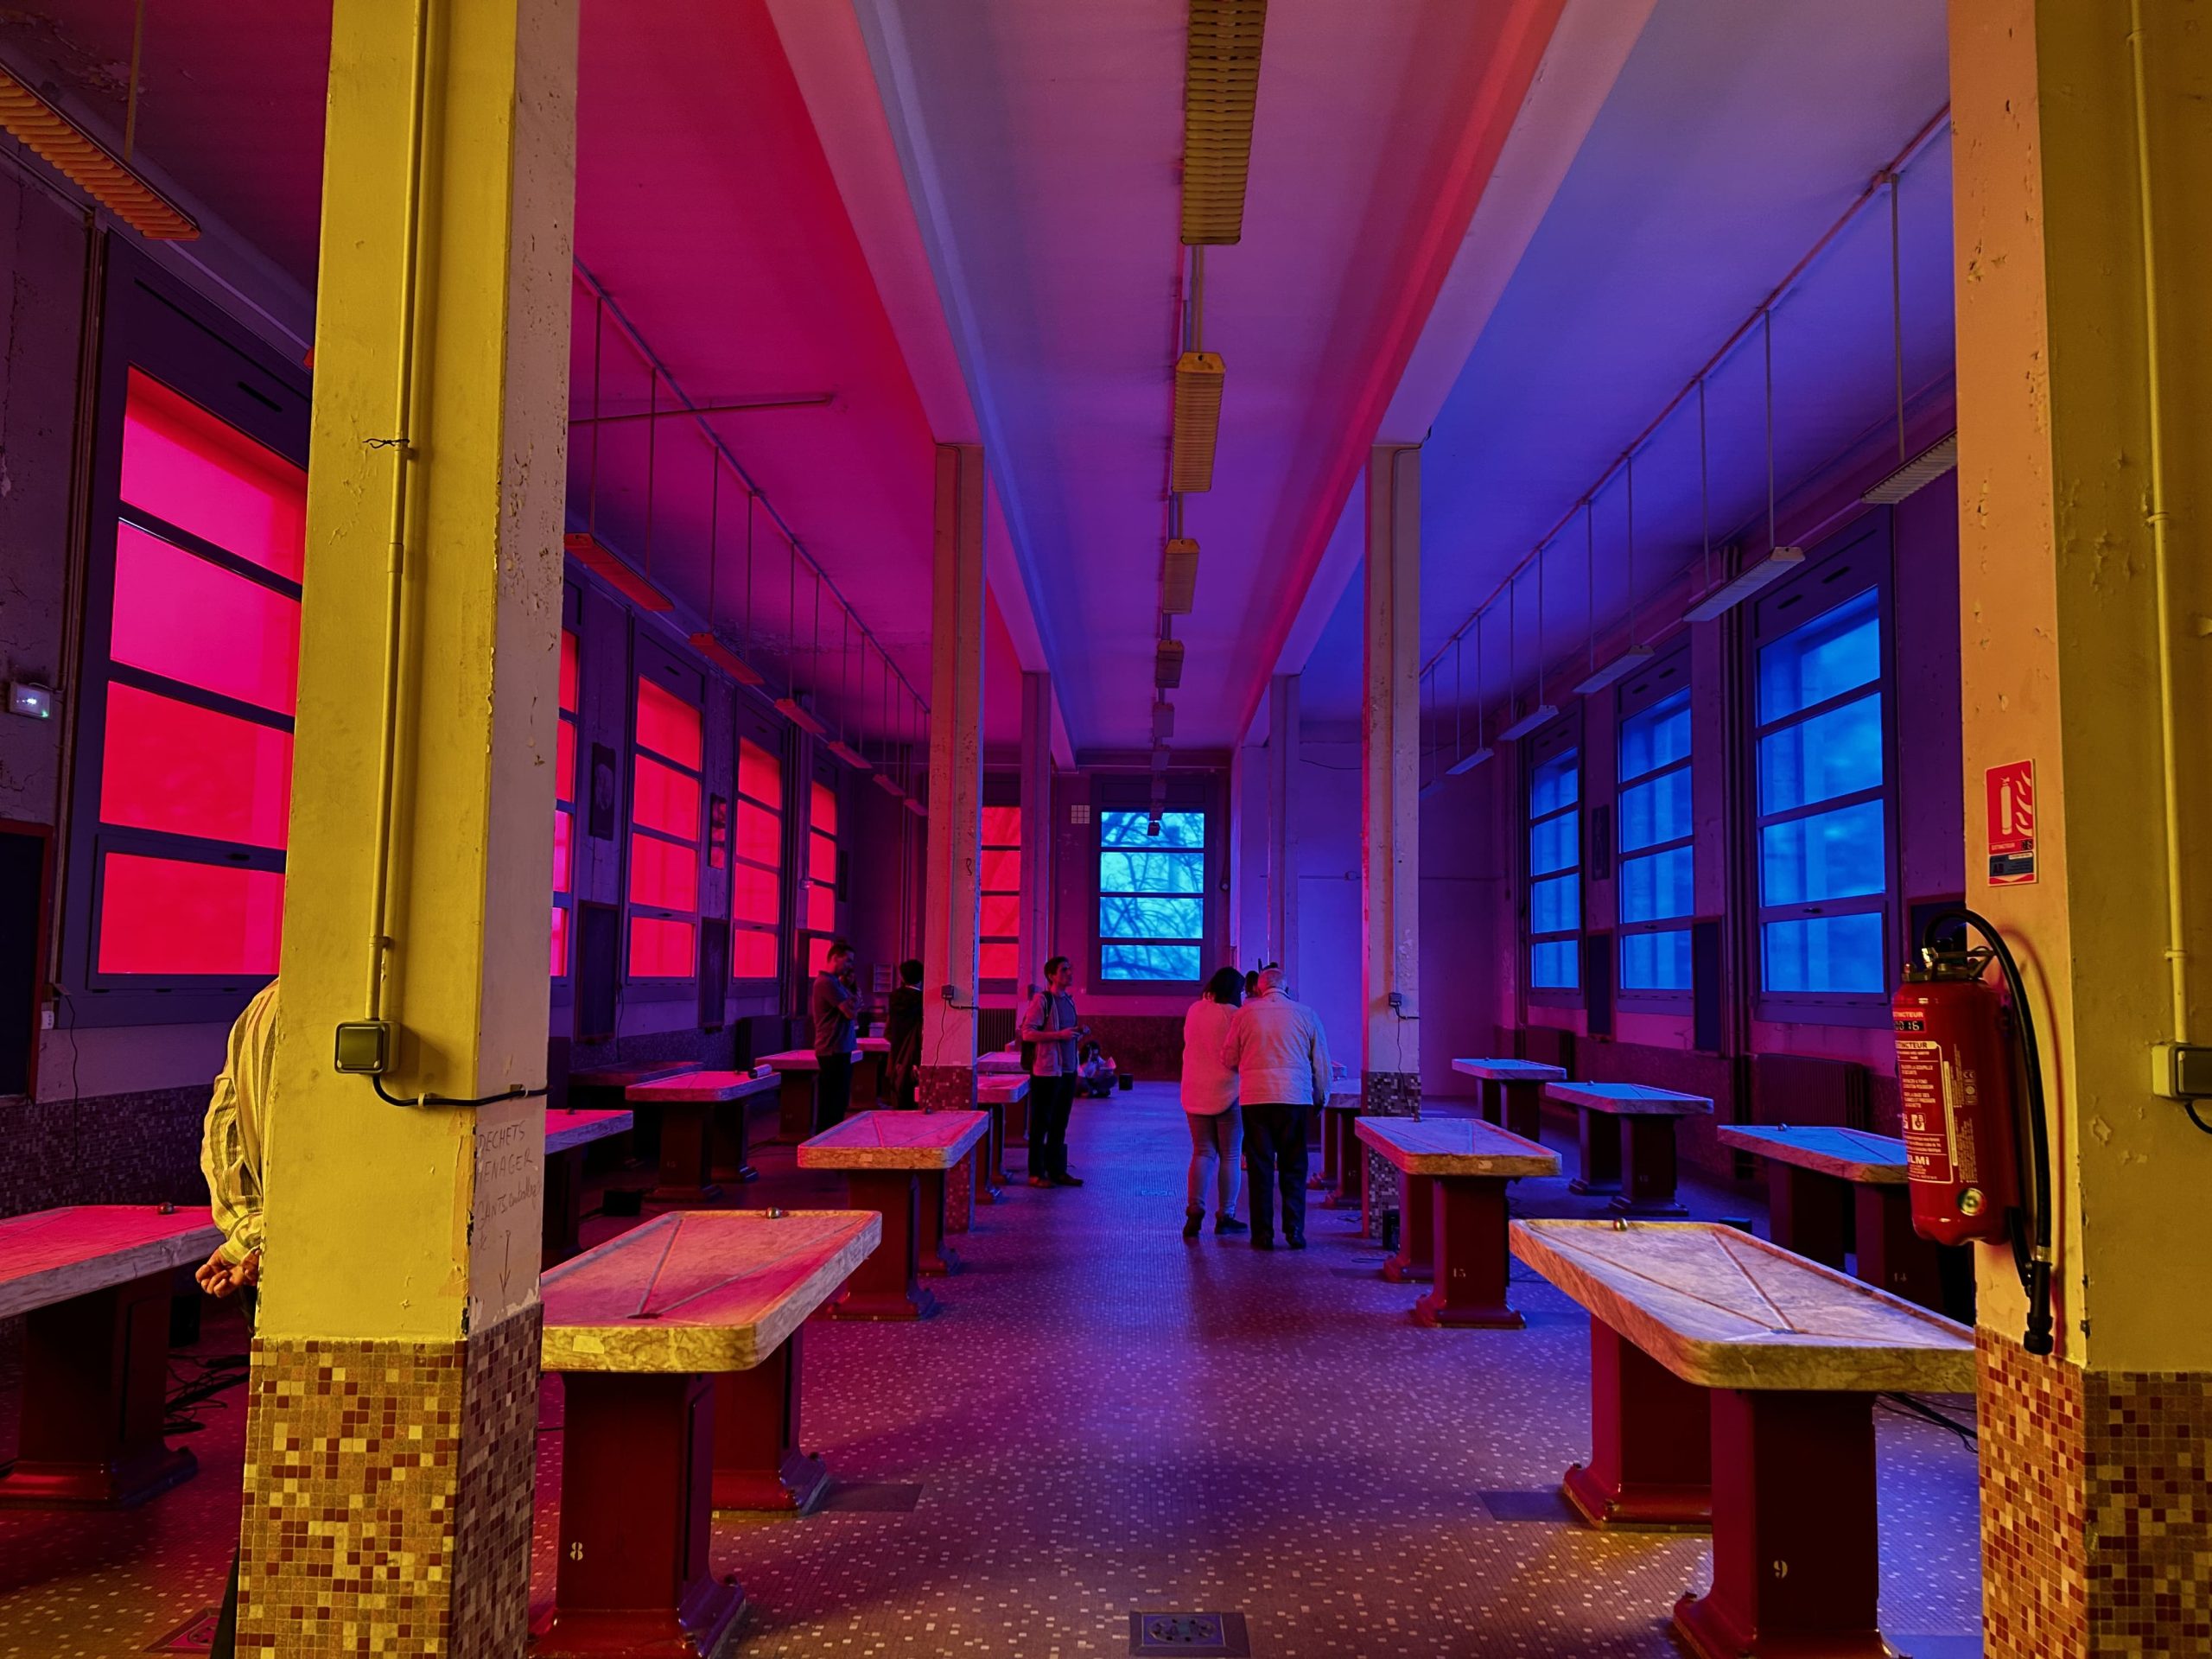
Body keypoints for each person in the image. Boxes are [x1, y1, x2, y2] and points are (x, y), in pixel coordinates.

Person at [197, 979, 280, 1658]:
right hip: (308, 1272)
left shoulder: (263, 1008)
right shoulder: (335, 1008)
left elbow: (223, 1134)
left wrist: (247, 1239)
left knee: (281, 1475)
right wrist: (260, 1242)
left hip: (268, 1265)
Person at [1219, 962, 1331, 1249]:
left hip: (1256, 1099)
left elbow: (1229, 1058)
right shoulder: (1307, 1014)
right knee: (1294, 1166)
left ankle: (1262, 1235)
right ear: (1286, 988)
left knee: (1260, 1167)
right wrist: (1321, 1097)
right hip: (1294, 1098)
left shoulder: (1244, 1015)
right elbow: (1321, 1063)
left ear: (1259, 989)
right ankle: (1294, 1231)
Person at [1179, 965, 1248, 1239]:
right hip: (1229, 1092)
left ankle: (1194, 1209)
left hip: (1195, 1090)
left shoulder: (1195, 1010)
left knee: (1202, 1152)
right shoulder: (1236, 1015)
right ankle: (1225, 1215)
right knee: (1230, 1155)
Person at [1019, 956, 1084, 1187]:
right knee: (1041, 1122)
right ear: (1051, 976)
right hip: (1047, 1071)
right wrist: (1059, 1035)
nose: (1069, 973)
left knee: (1060, 1122)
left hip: (1068, 1069)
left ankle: (1057, 1170)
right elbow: (1027, 1033)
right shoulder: (1042, 1000)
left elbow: (1066, 1031)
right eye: (1064, 970)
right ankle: (1036, 1172)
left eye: (1070, 969)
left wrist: (1076, 1033)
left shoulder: (1069, 1001)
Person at [811, 938, 860, 1129]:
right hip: (832, 1047)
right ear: (835, 958)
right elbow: (850, 1012)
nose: (850, 966)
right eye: (847, 961)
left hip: (840, 1047)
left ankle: (832, 1134)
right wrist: (855, 1003)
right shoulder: (826, 983)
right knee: (832, 1100)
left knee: (839, 1099)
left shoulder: (837, 983)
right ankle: (826, 1136)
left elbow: (852, 1007)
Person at [885, 957, 925, 1109]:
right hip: (915, 1051)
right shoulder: (922, 1000)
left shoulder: (894, 997)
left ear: (902, 977)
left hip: (896, 1048)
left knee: (898, 1087)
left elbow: (888, 1029)